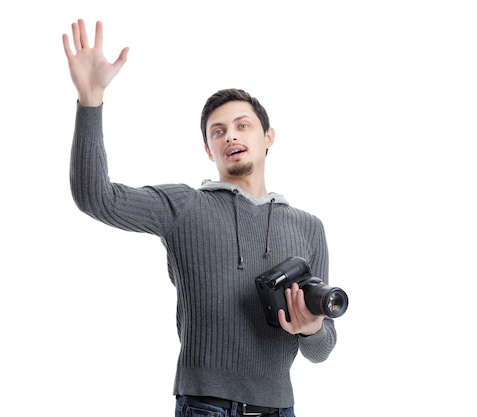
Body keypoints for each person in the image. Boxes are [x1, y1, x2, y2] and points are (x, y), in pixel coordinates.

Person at [62, 19, 338, 417]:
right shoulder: (184, 206)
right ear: (209, 149)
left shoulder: (309, 227)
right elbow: (95, 197)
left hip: (279, 408)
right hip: (203, 406)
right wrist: (90, 100)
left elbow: (323, 348)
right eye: (218, 131)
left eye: (243, 126)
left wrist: (309, 326)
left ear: (268, 137)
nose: (231, 136)